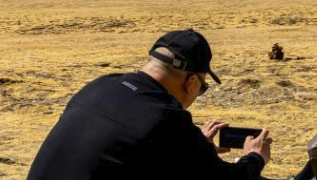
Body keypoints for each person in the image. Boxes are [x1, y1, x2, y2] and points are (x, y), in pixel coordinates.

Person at [27, 29, 273, 180]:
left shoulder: (100, 85)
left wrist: (196, 149)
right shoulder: (166, 117)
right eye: (203, 87)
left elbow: (128, 151)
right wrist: (254, 157)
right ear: (191, 83)